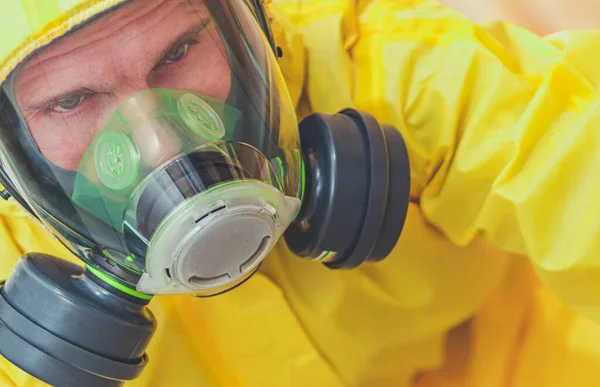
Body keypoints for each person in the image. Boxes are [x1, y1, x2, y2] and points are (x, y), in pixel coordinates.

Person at [2, 1, 600, 387]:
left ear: (255, 27)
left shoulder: (398, 83)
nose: (159, 146)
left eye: (179, 52)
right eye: (72, 101)